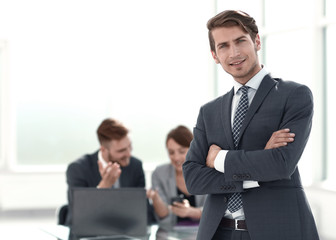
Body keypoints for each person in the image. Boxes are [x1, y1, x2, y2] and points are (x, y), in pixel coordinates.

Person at [182, 10, 319, 240]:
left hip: (277, 231)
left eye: (240, 41)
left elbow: (281, 165)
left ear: (256, 41)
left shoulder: (294, 95)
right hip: (218, 232)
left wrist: (219, 159)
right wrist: (255, 169)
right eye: (223, 46)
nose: (234, 52)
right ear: (214, 55)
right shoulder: (209, 112)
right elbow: (193, 179)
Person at [65, 118, 147, 226]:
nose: (129, 154)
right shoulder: (78, 169)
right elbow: (79, 215)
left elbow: (143, 211)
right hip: (89, 232)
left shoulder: (135, 165)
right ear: (103, 150)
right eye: (121, 150)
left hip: (124, 231)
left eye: (129, 146)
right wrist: (104, 186)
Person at [147, 125, 206, 228]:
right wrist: (156, 199)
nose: (176, 157)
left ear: (193, 149)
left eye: (182, 151)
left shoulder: (206, 172)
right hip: (171, 233)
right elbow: (164, 218)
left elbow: (215, 212)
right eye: (171, 152)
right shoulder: (159, 174)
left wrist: (190, 212)